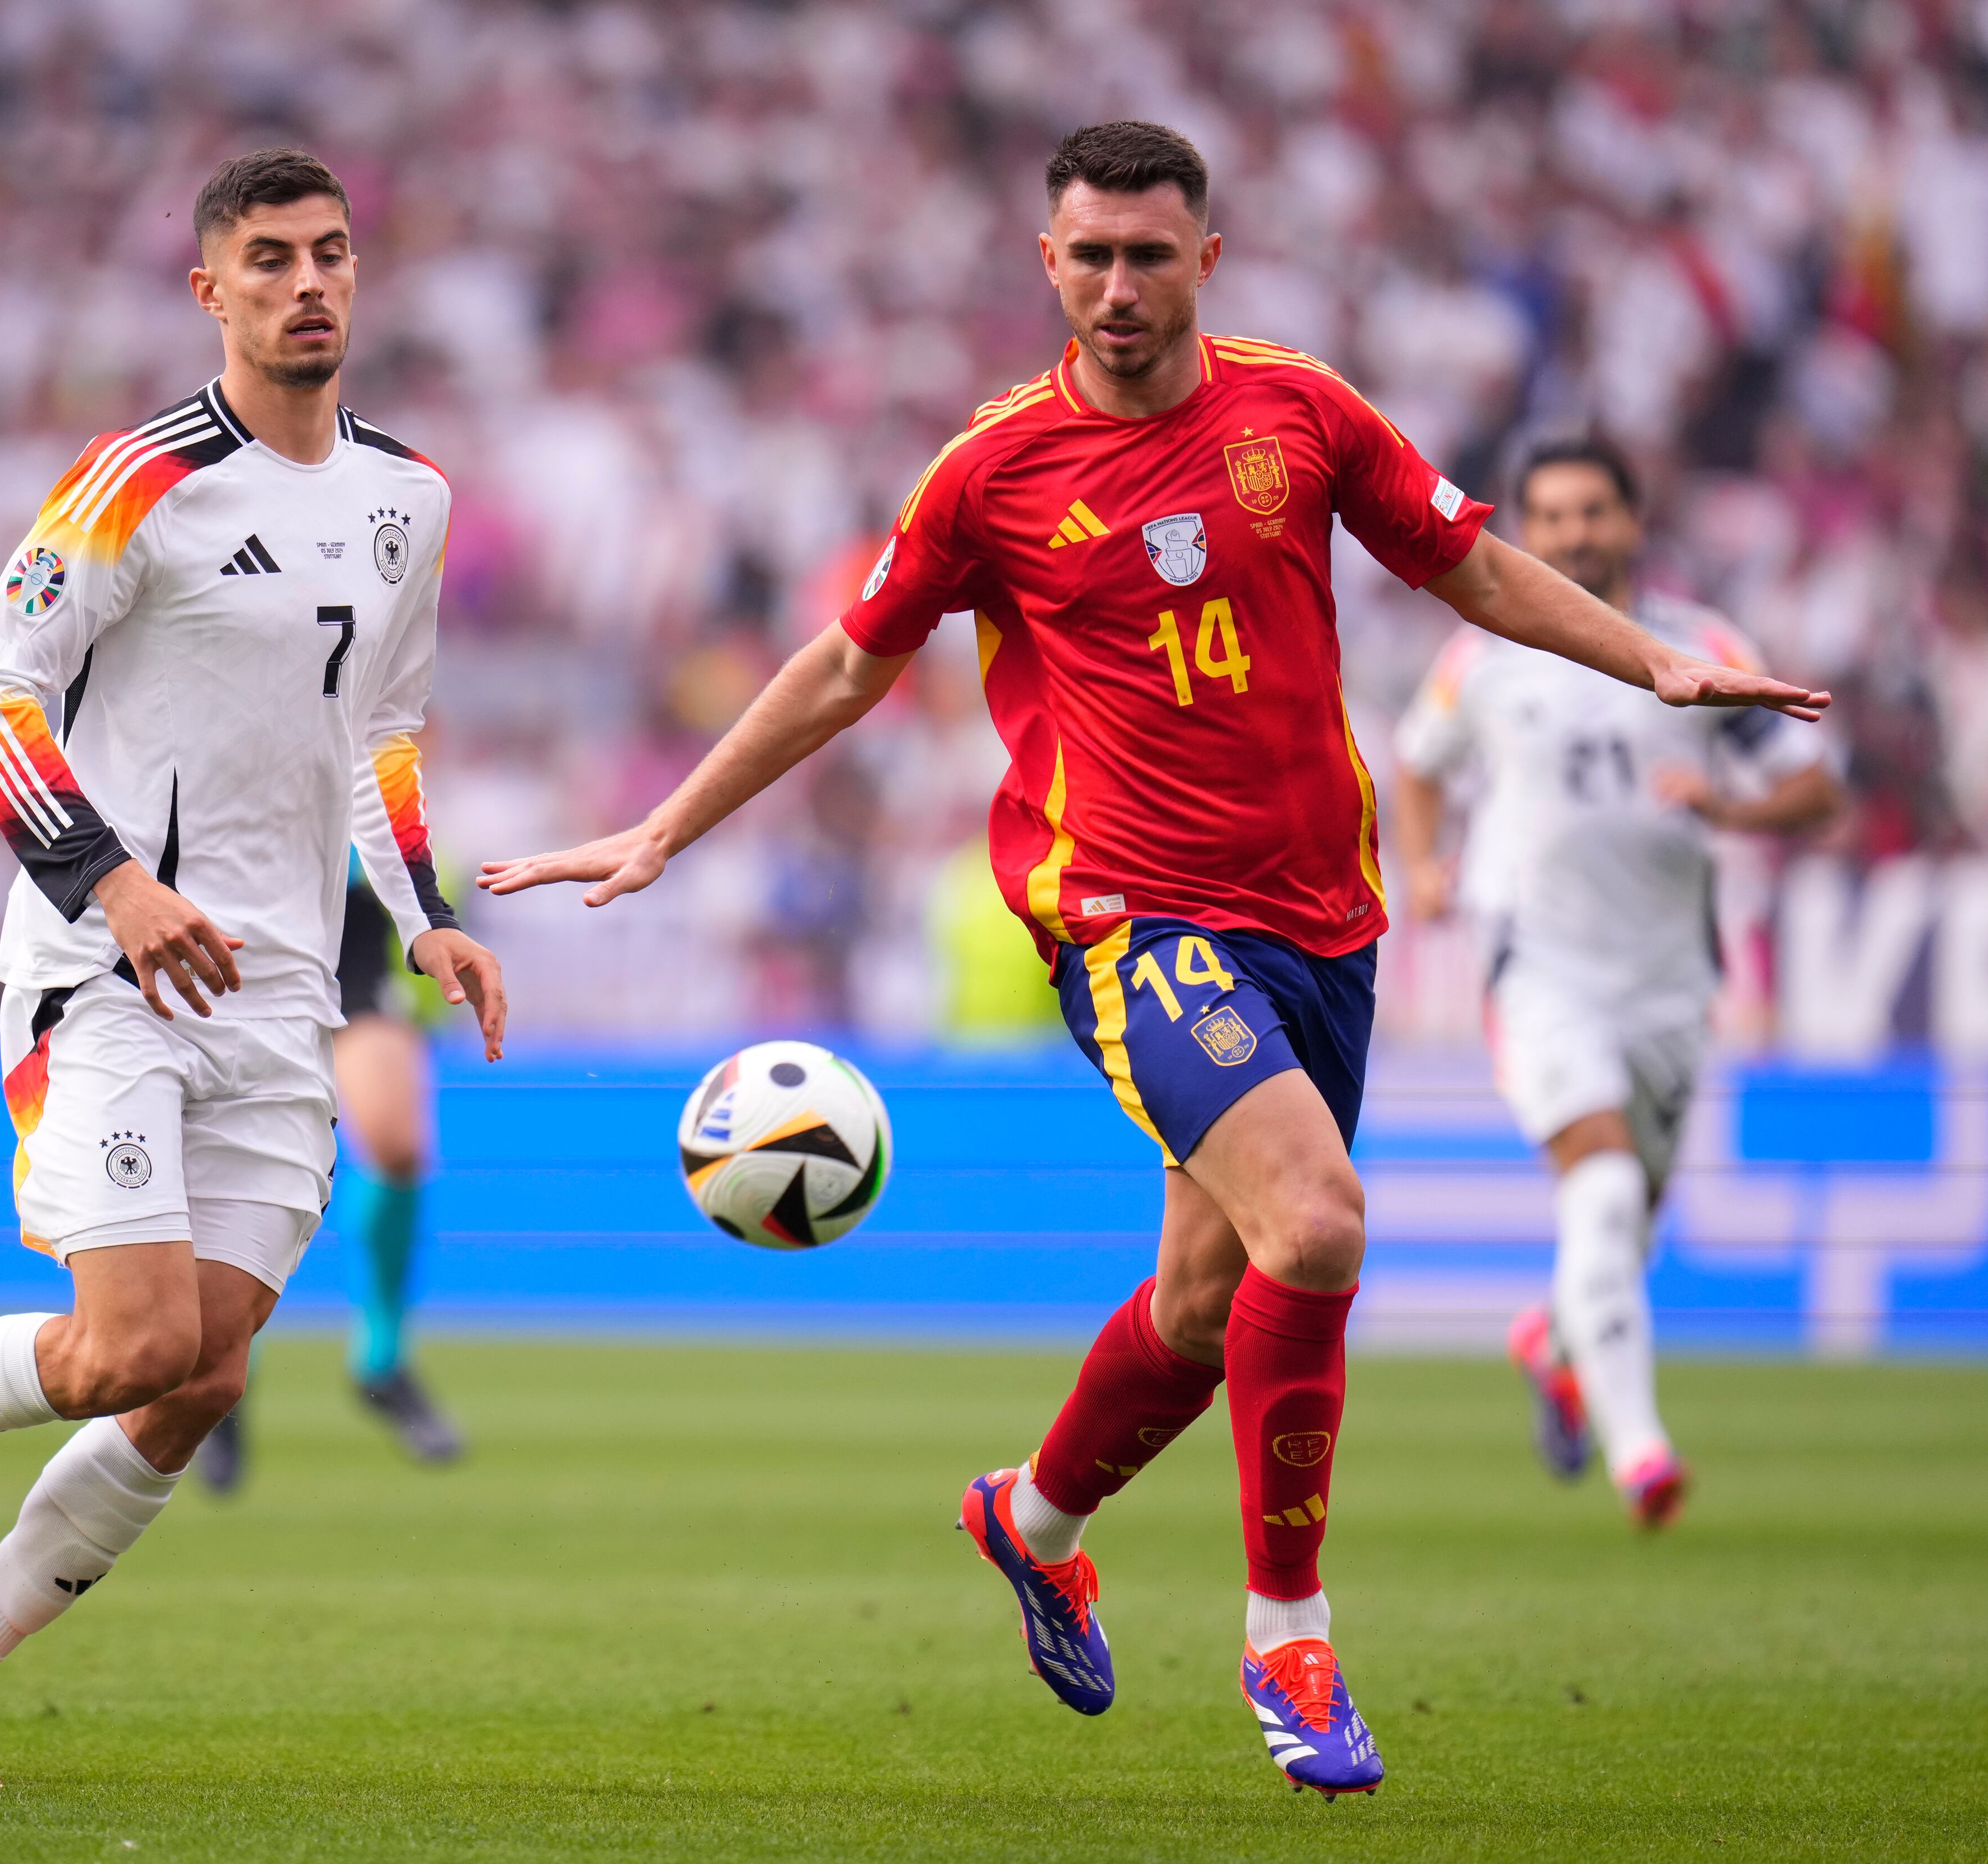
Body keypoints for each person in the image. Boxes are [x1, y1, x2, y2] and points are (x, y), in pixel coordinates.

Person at [478, 121, 1824, 1800]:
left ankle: (1029, 1519)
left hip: (1319, 916)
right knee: (1318, 1223)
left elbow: (1463, 559)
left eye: (1148, 254)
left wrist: (1652, 662)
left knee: (1206, 1295)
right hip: (1129, 920)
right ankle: (1286, 1634)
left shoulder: (1300, 412)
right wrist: (664, 828)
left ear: (1207, 256)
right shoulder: (990, 471)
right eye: (1087, 256)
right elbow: (841, 668)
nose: (1117, 287)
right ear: (1046, 265)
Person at [0, 148, 507, 1788]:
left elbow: (376, 732)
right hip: (106, 973)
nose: (308, 283)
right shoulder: (133, 479)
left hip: (287, 993)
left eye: (329, 255)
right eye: (269, 261)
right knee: (123, 1343)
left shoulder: (409, 501)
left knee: (199, 1374)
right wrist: (115, 882)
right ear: (211, 292)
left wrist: (425, 906)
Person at [1389, 436, 1839, 1529]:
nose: (1573, 533)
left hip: (1669, 979)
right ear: (1526, 531)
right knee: (1596, 1187)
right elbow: (1415, 762)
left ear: (1633, 522)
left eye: (1593, 512)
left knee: (1622, 1224)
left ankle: (1553, 1337)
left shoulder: (1701, 645)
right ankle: (1642, 1450)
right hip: (1536, 963)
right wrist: (1425, 865)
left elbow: (1812, 786)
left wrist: (1730, 809)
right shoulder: (1483, 656)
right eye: (1549, 516)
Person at [196, 851, 466, 1493]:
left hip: (352, 943)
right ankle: (224, 1376)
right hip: (240, 939)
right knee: (240, 1164)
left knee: (398, 1143)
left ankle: (382, 1359)